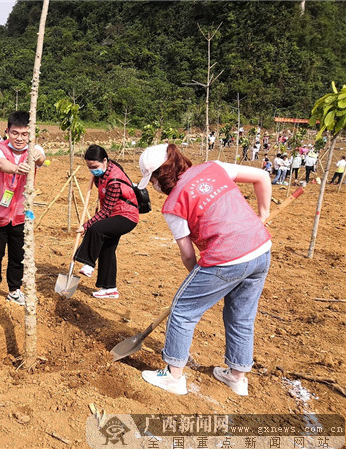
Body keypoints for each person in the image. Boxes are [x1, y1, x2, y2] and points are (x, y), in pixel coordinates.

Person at [138, 143, 272, 397]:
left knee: (183, 310)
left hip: (226, 258)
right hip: (261, 249)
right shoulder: (214, 167)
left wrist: (197, 280)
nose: (154, 187)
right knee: (241, 316)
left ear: (160, 175)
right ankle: (237, 376)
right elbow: (262, 176)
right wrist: (262, 217)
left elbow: (188, 255)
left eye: (153, 179)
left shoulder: (173, 204)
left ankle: (173, 376)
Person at [0, 111, 45, 305]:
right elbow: (0, 163)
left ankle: (14, 289)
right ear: (8, 131)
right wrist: (17, 168)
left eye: (24, 134)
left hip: (20, 214)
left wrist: (36, 156)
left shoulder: (34, 149)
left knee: (18, 255)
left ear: (31, 134)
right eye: (15, 133)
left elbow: (41, 158)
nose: (19, 138)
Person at [74, 145, 139, 299]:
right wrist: (95, 176)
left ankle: (88, 263)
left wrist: (86, 225)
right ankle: (109, 288)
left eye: (95, 167)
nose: (92, 170)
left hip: (125, 216)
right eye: (89, 168)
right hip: (114, 215)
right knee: (107, 249)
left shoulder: (114, 181)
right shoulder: (104, 170)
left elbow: (106, 211)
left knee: (96, 229)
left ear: (105, 160)